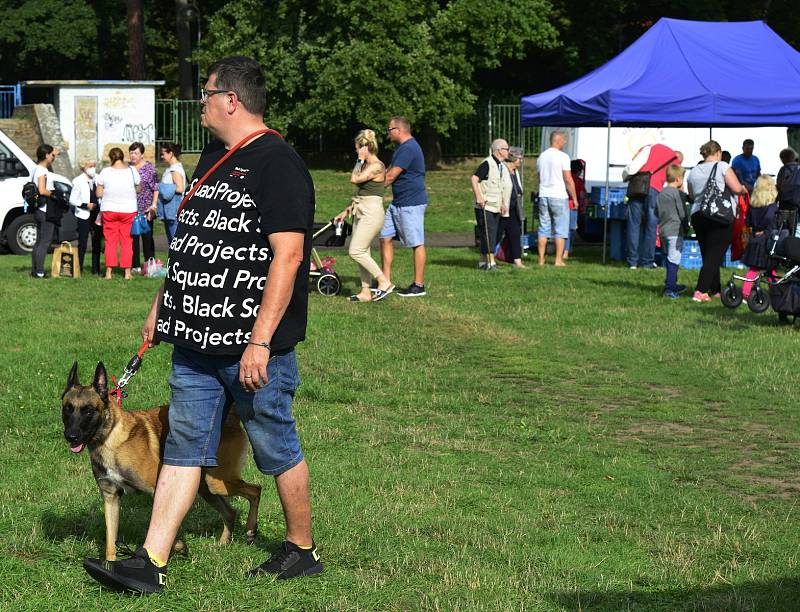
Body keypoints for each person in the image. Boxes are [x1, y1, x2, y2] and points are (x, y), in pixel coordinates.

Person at [83, 56, 321, 594]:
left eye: (207, 93)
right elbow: (192, 244)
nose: (201, 103)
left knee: (273, 443)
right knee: (186, 445)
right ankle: (151, 562)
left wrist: (261, 340)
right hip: (192, 339)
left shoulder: (278, 164)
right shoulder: (213, 158)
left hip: (249, 345)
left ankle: (301, 548)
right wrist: (161, 303)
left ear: (231, 100)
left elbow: (288, 257)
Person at [333, 129, 393, 302]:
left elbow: (354, 179)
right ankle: (365, 291)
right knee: (363, 250)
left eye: (357, 148)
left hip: (372, 213)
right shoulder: (367, 165)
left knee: (356, 251)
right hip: (361, 209)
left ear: (364, 147)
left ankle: (383, 282)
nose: (356, 152)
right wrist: (347, 211)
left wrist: (359, 159)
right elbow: (362, 193)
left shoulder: (377, 166)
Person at [686, 140, 748, 302]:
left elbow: (692, 196)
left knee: (708, 253)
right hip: (719, 215)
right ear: (718, 152)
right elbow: (735, 188)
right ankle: (700, 290)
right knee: (715, 255)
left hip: (698, 214)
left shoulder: (693, 171)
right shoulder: (722, 166)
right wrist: (743, 189)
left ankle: (715, 290)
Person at [380, 116, 428, 297]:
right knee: (384, 237)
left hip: (411, 203)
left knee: (416, 243)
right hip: (398, 202)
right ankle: (385, 281)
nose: (388, 132)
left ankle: (418, 285)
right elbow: (387, 171)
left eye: (390, 129)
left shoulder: (409, 148)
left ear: (399, 130)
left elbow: (391, 175)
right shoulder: (402, 148)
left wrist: (373, 188)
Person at [622, 141, 679, 269]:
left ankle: (632, 262)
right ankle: (647, 261)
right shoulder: (674, 157)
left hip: (636, 185)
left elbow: (634, 160)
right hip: (653, 188)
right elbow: (675, 180)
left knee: (633, 223)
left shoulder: (648, 147)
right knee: (651, 225)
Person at [96, 147, 140, 280]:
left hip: (109, 209)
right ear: (123, 157)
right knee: (127, 241)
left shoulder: (105, 172)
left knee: (110, 241)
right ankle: (127, 272)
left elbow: (99, 193)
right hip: (128, 210)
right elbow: (138, 188)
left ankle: (109, 272)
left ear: (111, 158)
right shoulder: (132, 171)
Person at [536, 130, 577, 266]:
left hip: (543, 194)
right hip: (558, 195)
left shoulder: (541, 156)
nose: (565, 142)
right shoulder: (563, 157)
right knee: (560, 228)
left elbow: (539, 177)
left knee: (543, 228)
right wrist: (575, 198)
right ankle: (558, 260)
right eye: (564, 140)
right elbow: (568, 179)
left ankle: (541, 259)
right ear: (558, 140)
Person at [470, 139, 511, 270]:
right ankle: (491, 262)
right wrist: (479, 197)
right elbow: (474, 179)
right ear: (499, 150)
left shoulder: (501, 165)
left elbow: (502, 186)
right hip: (485, 206)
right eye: (506, 149)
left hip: (496, 206)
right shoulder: (487, 163)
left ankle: (482, 262)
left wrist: (504, 203)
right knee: (489, 234)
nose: (508, 151)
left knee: (489, 233)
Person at [741, 175, 779, 298]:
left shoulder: (753, 206)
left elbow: (748, 222)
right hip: (767, 242)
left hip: (754, 240)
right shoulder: (773, 207)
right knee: (771, 270)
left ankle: (745, 292)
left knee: (753, 269)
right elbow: (772, 225)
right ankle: (775, 292)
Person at [656, 165, 688, 298]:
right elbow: (681, 212)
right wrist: (685, 225)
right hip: (675, 230)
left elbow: (656, 211)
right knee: (674, 260)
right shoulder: (677, 193)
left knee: (668, 258)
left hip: (663, 230)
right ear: (678, 179)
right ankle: (669, 288)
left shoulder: (661, 192)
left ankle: (672, 284)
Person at [30, 144, 59, 278]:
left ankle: (35, 270)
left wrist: (56, 152)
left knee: (38, 241)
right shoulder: (42, 171)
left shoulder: (36, 169)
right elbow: (42, 190)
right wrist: (53, 194)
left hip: (38, 210)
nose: (53, 158)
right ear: (46, 155)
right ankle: (40, 272)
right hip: (45, 210)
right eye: (52, 155)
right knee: (45, 242)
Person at [129, 143, 159, 271]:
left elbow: (156, 188)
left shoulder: (149, 169)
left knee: (147, 238)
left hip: (146, 209)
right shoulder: (128, 169)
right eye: (131, 153)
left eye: (135, 153)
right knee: (133, 238)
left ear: (142, 154)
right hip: (131, 208)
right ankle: (135, 265)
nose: (132, 156)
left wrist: (153, 205)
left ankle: (149, 264)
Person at [68, 160, 100, 273]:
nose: (93, 168)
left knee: (97, 241)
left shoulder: (98, 178)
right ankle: (79, 267)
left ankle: (96, 269)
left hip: (97, 214)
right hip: (84, 215)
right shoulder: (78, 181)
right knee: (83, 242)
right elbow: (72, 199)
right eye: (90, 166)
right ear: (83, 168)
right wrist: (85, 205)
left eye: (94, 165)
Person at [497, 147, 526, 268]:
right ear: (513, 158)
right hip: (503, 207)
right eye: (519, 158)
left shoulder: (516, 172)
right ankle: (487, 257)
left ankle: (517, 260)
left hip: (514, 208)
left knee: (515, 233)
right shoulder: (502, 169)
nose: (521, 161)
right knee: (497, 234)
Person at [157, 142, 186, 244]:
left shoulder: (175, 169)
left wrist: (161, 187)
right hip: (169, 210)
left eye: (163, 153)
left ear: (171, 153)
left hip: (173, 209)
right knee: (172, 241)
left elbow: (180, 188)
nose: (162, 156)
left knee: (175, 241)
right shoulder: (172, 168)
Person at [565, 159, 587, 259]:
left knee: (562, 229)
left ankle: (562, 249)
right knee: (570, 229)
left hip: (562, 204)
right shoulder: (578, 181)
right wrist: (583, 208)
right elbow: (582, 196)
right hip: (572, 206)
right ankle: (567, 250)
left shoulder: (565, 178)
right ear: (579, 171)